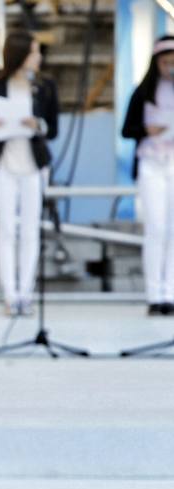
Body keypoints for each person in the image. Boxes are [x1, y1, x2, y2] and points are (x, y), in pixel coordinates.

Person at [0, 30, 59, 316]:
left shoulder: (44, 86)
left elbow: (53, 126)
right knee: (6, 228)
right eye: (33, 52)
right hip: (3, 162)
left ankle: (26, 292)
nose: (38, 57)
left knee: (30, 229)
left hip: (33, 164)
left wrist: (36, 124)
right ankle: (9, 293)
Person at [122, 35, 174, 316]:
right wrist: (147, 130)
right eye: (166, 62)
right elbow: (127, 129)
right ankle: (155, 293)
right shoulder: (143, 92)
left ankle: (171, 290)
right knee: (156, 228)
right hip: (152, 162)